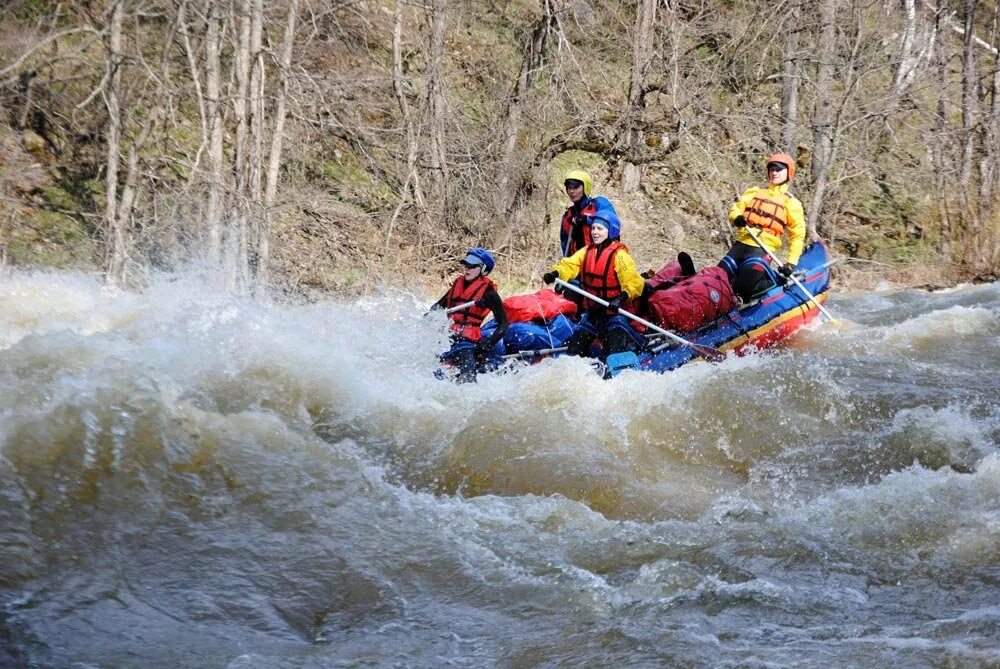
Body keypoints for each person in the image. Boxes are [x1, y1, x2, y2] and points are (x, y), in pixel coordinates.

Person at [542, 208, 645, 359]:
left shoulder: (620, 256)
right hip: (593, 313)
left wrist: (620, 298)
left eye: (600, 229)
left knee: (613, 353)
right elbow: (570, 265)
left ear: (611, 231)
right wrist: (556, 273)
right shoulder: (587, 251)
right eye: (593, 228)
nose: (595, 232)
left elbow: (634, 282)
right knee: (573, 352)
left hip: (614, 314)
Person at [719, 152, 806, 301]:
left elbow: (797, 235)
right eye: (772, 169)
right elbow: (736, 208)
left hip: (762, 249)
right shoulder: (754, 192)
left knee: (742, 288)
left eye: (779, 170)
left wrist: (791, 263)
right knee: (716, 280)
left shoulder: (792, 203)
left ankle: (773, 282)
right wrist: (736, 217)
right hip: (741, 244)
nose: (774, 172)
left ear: (789, 173)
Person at [431, 248, 509, 383]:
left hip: (467, 342)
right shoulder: (457, 285)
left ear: (483, 269)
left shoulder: (488, 293)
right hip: (447, 338)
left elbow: (503, 324)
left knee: (468, 376)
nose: (467, 269)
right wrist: (429, 319)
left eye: (473, 266)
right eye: (466, 265)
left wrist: (488, 344)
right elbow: (437, 307)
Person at [559, 170, 619, 257]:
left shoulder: (599, 204)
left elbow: (613, 225)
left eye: (576, 187)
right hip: (577, 264)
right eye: (569, 188)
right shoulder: (568, 216)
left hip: (602, 259)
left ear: (585, 187)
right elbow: (565, 246)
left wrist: (587, 220)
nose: (572, 191)